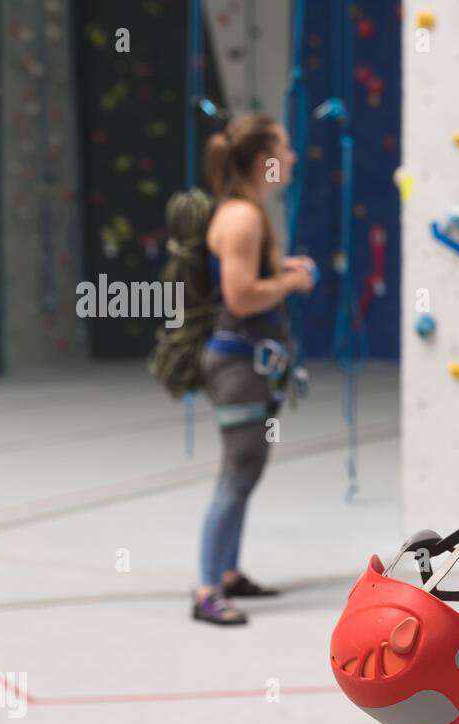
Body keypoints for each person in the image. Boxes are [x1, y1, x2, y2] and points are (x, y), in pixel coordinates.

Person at [192, 115, 316, 626]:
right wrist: (290, 285)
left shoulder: (247, 213)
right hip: (238, 360)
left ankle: (227, 574)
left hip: (248, 361)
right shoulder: (243, 217)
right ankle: (206, 589)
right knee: (238, 472)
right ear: (264, 158)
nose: (291, 157)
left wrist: (283, 268)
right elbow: (240, 297)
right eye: (283, 148)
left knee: (246, 471)